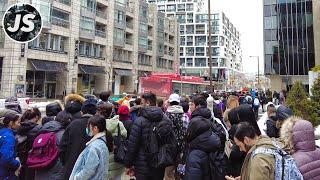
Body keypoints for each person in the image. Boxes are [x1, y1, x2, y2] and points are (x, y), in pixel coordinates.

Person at [125, 92, 171, 180]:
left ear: (148, 103)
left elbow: (132, 145)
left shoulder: (140, 121)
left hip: (142, 164)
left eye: (142, 103)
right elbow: (170, 143)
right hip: (159, 164)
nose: (140, 105)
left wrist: (128, 164)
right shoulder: (166, 120)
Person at [59, 98, 97, 180]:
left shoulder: (74, 124)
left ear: (81, 112)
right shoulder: (99, 126)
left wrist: (66, 162)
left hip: (71, 167)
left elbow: (62, 147)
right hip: (92, 171)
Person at [69, 115, 113, 180]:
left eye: (88, 126)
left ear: (95, 128)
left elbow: (88, 170)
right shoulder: (102, 142)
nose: (87, 128)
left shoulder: (94, 146)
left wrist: (77, 177)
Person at [34, 111, 72, 180]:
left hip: (39, 170)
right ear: (68, 121)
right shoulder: (63, 134)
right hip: (55, 172)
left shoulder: (42, 131)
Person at [164, 93, 187, 180]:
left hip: (168, 150)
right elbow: (186, 133)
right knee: (180, 173)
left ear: (169, 103)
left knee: (168, 174)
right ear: (179, 103)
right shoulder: (184, 116)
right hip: (181, 150)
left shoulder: (165, 116)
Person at [16, 108, 42, 180]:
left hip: (21, 159)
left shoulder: (19, 127)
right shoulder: (38, 129)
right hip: (34, 160)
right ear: (36, 117)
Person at [104, 104, 127, 180]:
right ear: (111, 112)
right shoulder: (118, 124)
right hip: (117, 155)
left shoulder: (99, 124)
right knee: (117, 177)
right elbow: (124, 135)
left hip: (104, 157)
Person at [0, 114, 21, 179]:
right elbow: (7, 158)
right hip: (5, 174)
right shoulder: (9, 137)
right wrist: (17, 164)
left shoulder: (1, 133)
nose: (19, 124)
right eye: (18, 122)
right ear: (11, 123)